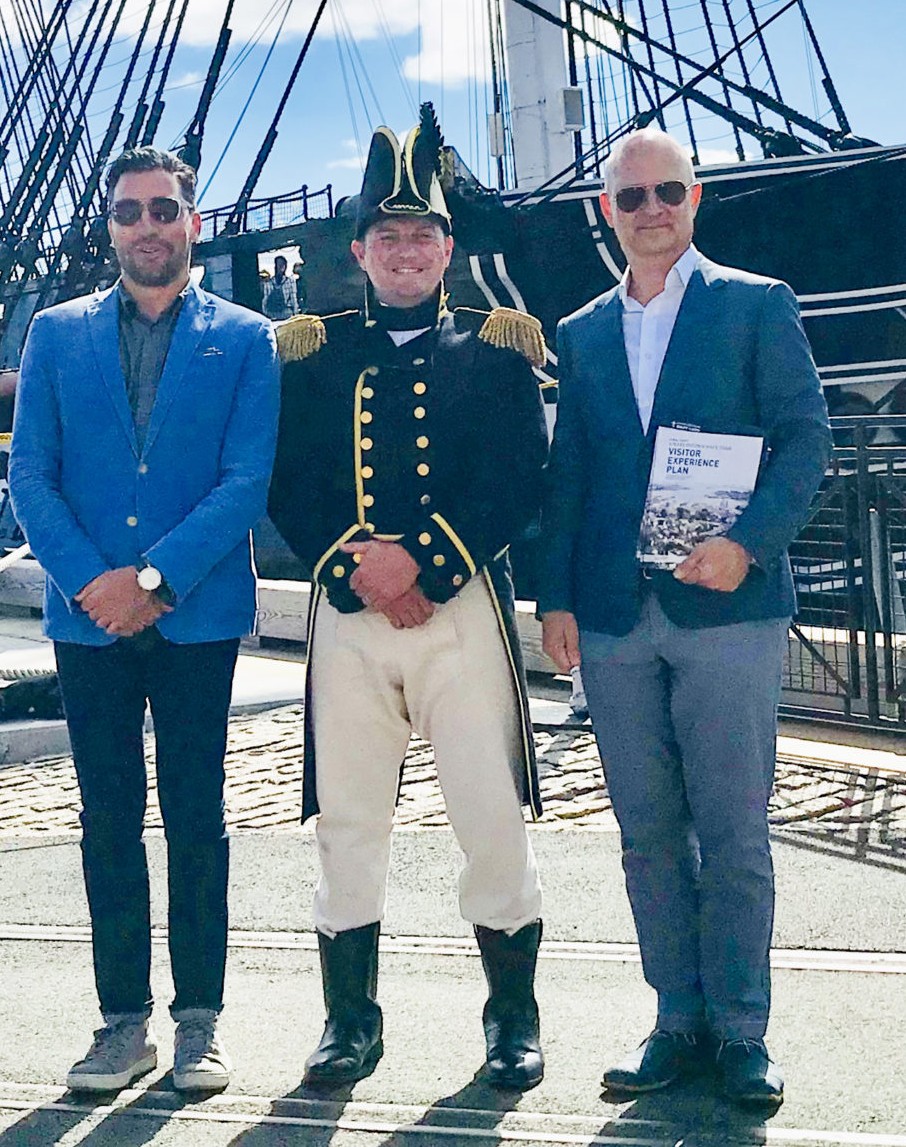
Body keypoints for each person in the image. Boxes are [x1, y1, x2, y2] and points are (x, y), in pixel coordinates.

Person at [537, 127, 831, 1111]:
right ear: (607, 212)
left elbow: (804, 440)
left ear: (695, 200)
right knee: (647, 831)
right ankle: (677, 1018)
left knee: (736, 827)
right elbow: (569, 471)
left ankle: (743, 1031)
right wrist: (559, 597)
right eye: (631, 197)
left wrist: (748, 541)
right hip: (619, 617)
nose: (650, 209)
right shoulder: (579, 332)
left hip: (728, 606)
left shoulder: (755, 306)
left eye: (667, 192)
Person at [266, 104, 551, 1091]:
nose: (405, 249)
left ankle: (513, 1021)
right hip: (348, 618)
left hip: (460, 610)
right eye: (387, 235)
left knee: (489, 813)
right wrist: (356, 565)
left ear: (446, 246)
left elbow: (520, 475)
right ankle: (351, 1024)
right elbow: (287, 479)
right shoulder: (308, 351)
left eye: (422, 233)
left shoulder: (497, 345)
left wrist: (425, 565)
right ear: (358, 248)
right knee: (347, 818)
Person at [9, 146, 281, 1096]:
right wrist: (97, 584)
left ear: (192, 221)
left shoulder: (247, 338)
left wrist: (155, 580)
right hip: (90, 624)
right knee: (109, 822)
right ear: (109, 228)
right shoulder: (55, 333)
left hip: (196, 618)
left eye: (164, 209)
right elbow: (30, 477)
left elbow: (245, 480)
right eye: (129, 213)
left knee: (198, 818)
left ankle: (199, 1024)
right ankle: (121, 1024)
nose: (147, 226)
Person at [262, 254, 298, 320]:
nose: (281, 267)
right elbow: (293, 299)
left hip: (272, 314)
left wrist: (265, 314)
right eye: (279, 264)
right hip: (286, 313)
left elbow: (265, 301)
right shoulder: (290, 281)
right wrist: (296, 315)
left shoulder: (268, 283)